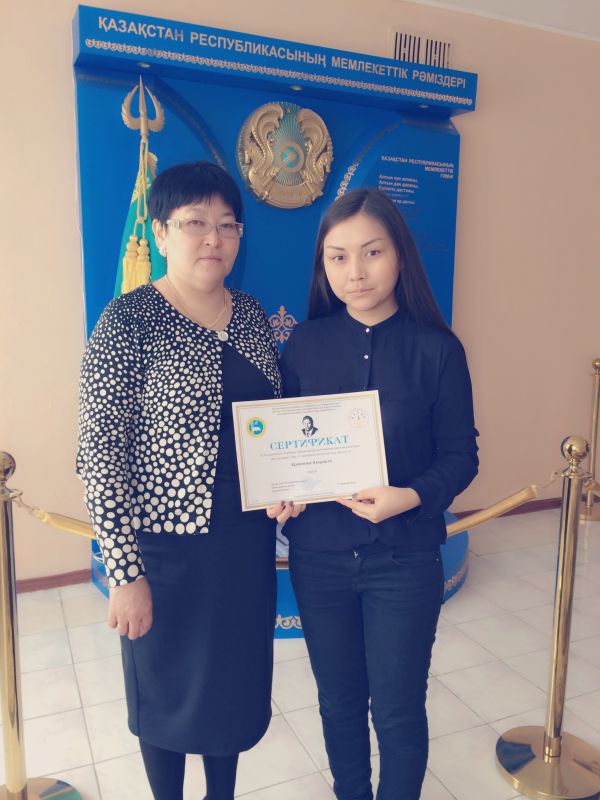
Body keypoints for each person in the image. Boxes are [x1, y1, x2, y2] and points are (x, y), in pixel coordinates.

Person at [77, 161, 281, 800]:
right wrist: (124, 574)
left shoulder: (251, 316)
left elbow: (272, 425)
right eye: (195, 223)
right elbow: (99, 455)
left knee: (233, 688)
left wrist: (289, 481)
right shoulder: (127, 321)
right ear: (161, 232)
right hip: (164, 553)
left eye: (227, 225)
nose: (213, 238)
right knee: (166, 691)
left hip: (243, 548)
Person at [269, 188, 478, 800]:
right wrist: (285, 492)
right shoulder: (303, 345)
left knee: (397, 709)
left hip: (404, 559)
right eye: (338, 257)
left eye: (372, 252)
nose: (355, 272)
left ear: (400, 255)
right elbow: (288, 447)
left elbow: (460, 457)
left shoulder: (438, 349)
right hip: (320, 559)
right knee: (338, 702)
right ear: (323, 265)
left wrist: (409, 496)